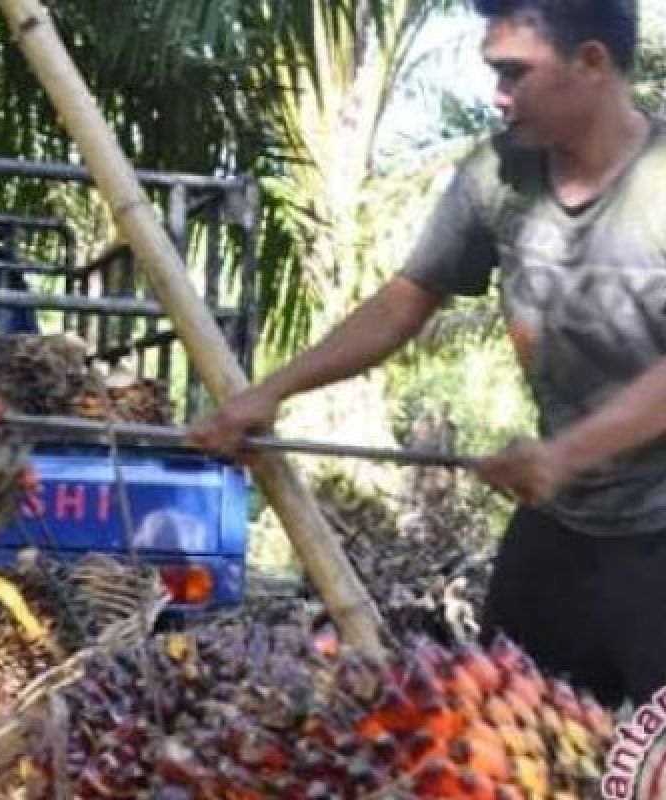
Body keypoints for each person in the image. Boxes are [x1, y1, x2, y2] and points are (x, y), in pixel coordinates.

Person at [188, 0, 665, 709]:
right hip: (560, 530)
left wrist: (564, 454)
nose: (498, 95)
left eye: (514, 73)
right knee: (502, 744)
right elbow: (406, 300)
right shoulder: (496, 175)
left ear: (591, 63)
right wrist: (272, 391)